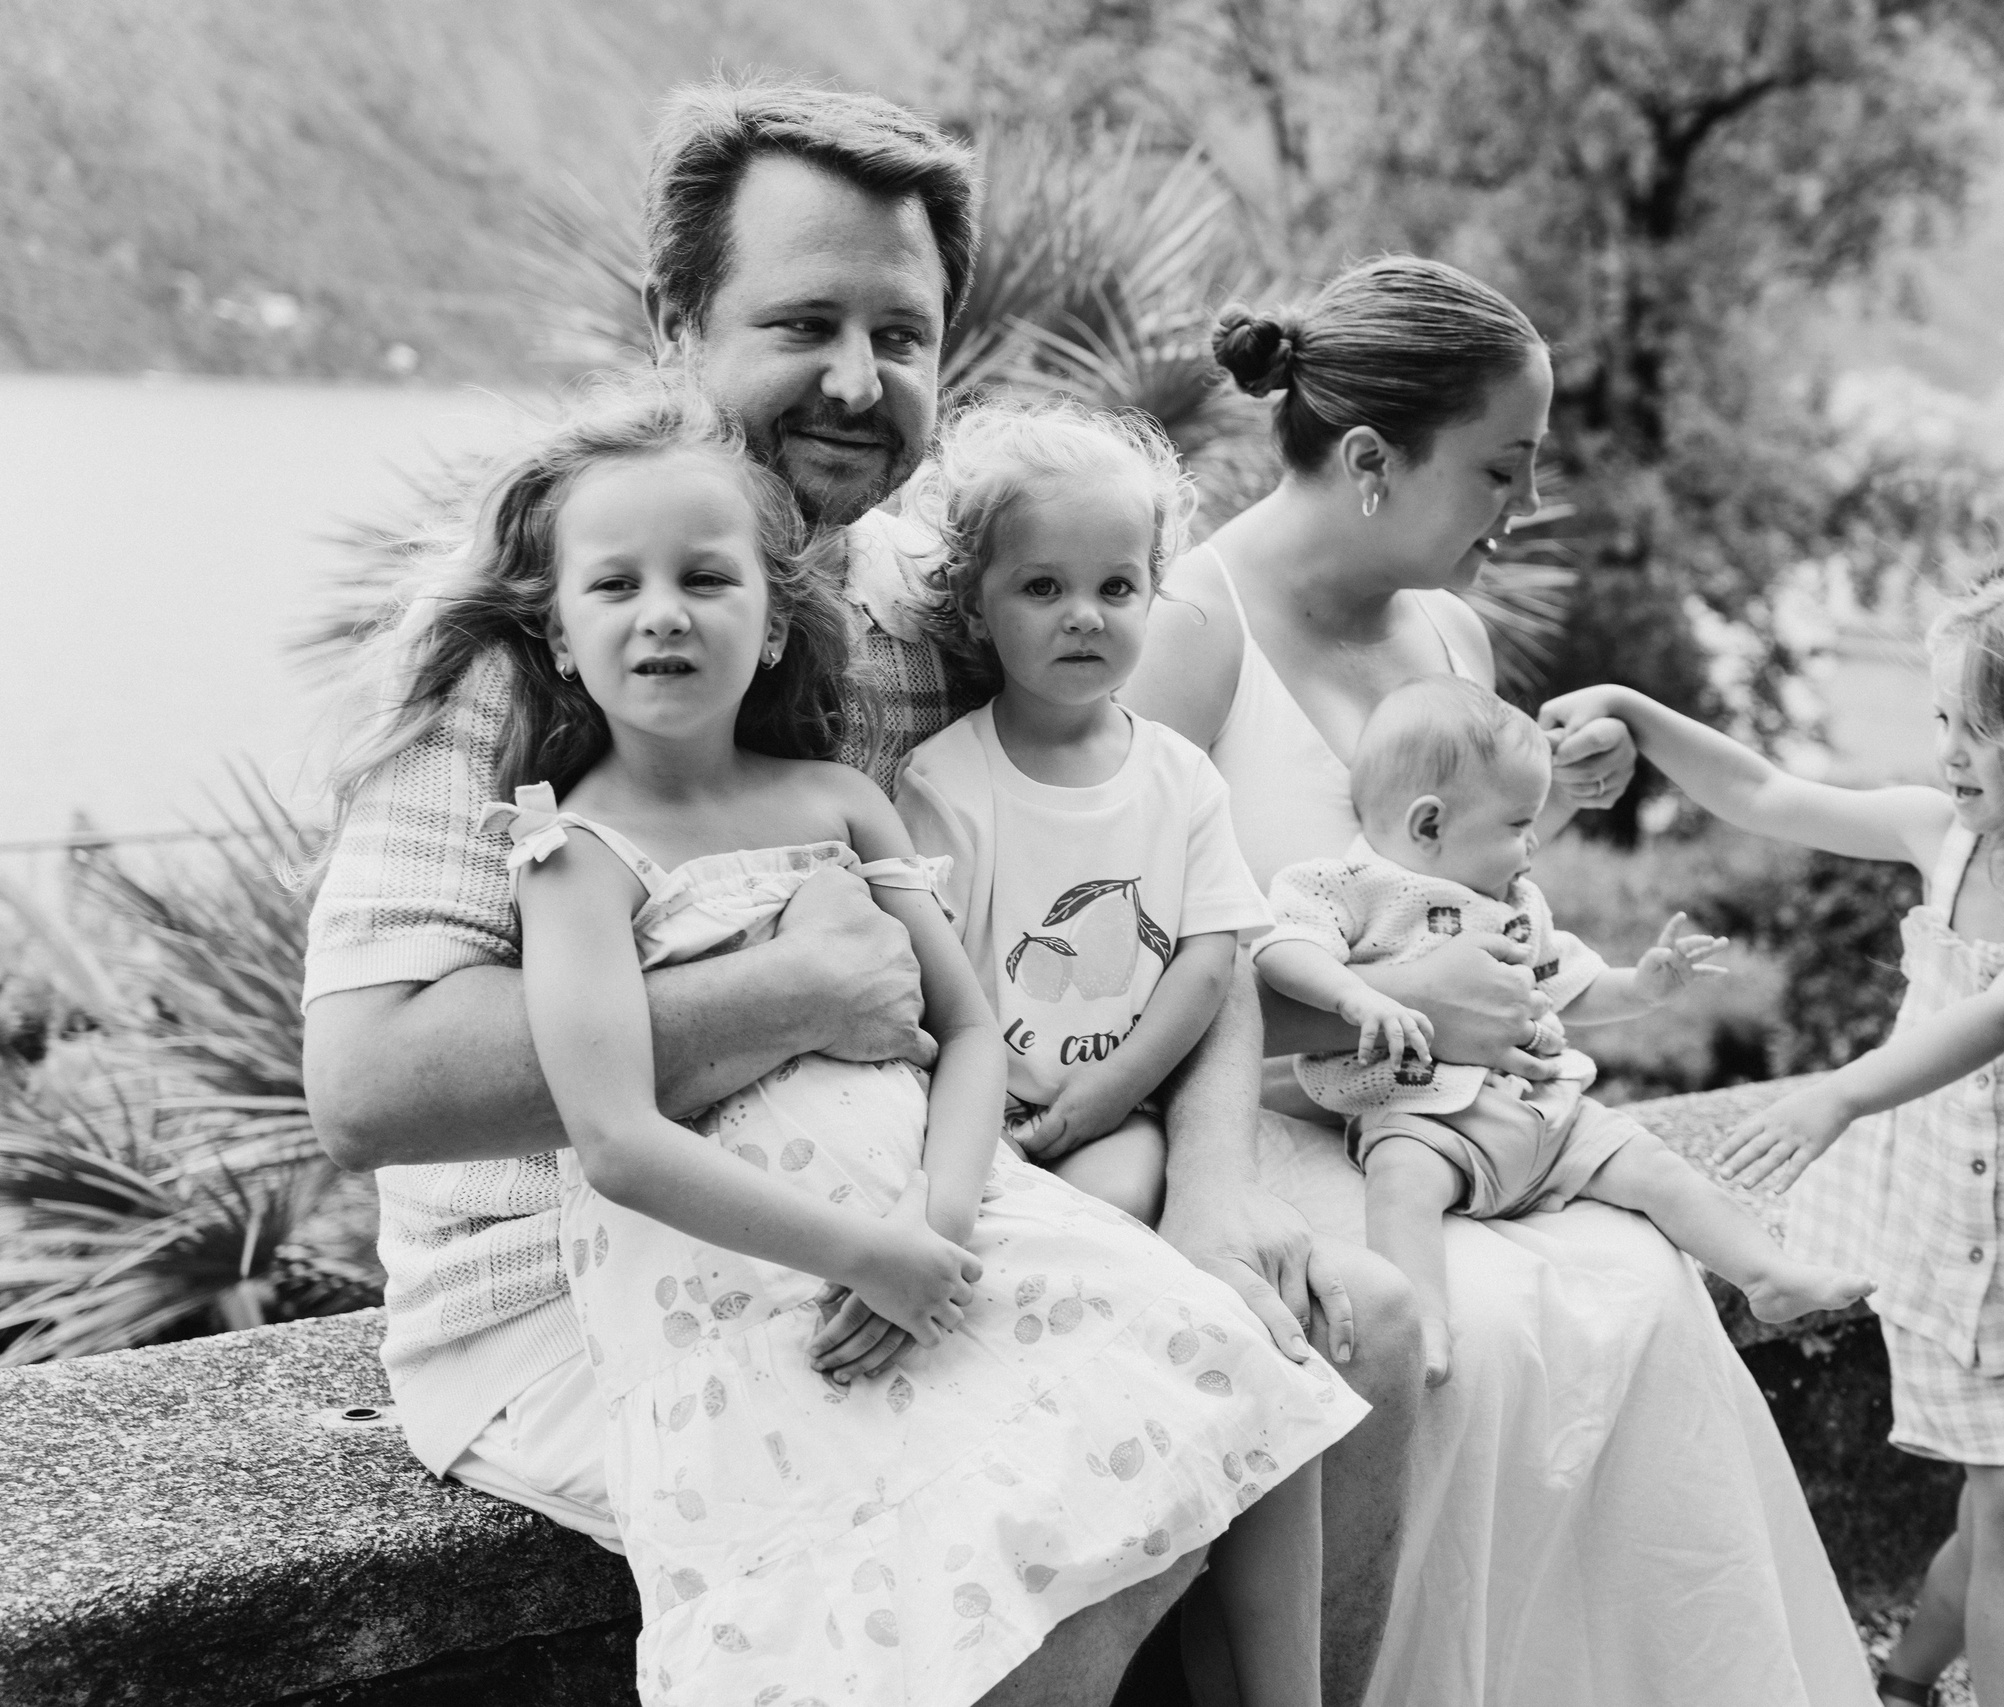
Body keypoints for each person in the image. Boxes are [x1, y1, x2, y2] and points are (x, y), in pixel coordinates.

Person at [302, 80, 1421, 1707]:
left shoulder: (936, 610)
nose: (855, 377)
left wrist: (1213, 1189)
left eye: (900, 333)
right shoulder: (531, 650)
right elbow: (371, 1085)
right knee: (1068, 1516)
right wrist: (784, 995)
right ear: (675, 318)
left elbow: (1183, 893)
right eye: (802, 320)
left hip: (912, 1187)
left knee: (1328, 1339)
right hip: (571, 1286)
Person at [1123, 255, 1875, 1707]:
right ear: (1364, 460)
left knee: (1639, 1285)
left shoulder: (1448, 630)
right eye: (1497, 473)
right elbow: (1130, 968)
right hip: (1267, 1118)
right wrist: (1391, 996)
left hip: (1461, 1113)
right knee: (1497, 1332)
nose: (1515, 514)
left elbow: (1459, 869)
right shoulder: (1192, 633)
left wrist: (1556, 810)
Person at [1543, 562, 2004, 1707]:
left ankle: (1903, 1679)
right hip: (1944, 1231)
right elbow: (1768, 791)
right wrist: (1632, 704)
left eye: (1982, 730)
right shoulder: (1941, 837)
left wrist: (1841, 1091)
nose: (1949, 752)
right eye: (1942, 720)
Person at [1251, 676, 1874, 1387]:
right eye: (1518, 824)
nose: (1535, 841)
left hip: (1547, 1114)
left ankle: (1765, 1271)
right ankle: (1421, 1321)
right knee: (1400, 1181)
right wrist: (1354, 995)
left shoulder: (1517, 904)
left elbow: (1572, 984)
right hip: (1426, 1118)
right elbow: (1282, 950)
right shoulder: (1350, 885)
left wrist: (1644, 984)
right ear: (1429, 825)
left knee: (1655, 1165)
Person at [895, 400, 1271, 1230]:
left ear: (1152, 592)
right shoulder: (945, 781)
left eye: (1116, 586)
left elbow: (1209, 960)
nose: (1085, 614)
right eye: (1042, 586)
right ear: (974, 606)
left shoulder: (1183, 777)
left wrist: (1117, 1087)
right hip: (964, 1112)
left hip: (1122, 1104)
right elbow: (928, 976)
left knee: (1118, 1194)